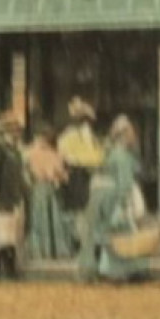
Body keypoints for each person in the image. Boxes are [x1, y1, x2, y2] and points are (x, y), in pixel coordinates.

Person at [90, 116, 150, 282]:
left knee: (121, 234)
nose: (132, 137)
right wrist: (123, 203)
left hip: (111, 197)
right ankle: (120, 272)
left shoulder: (115, 154)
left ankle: (121, 271)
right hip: (118, 198)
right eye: (129, 133)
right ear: (122, 135)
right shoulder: (121, 155)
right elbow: (125, 182)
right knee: (122, 235)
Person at [59, 99, 106, 272]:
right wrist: (87, 162)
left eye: (88, 121)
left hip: (92, 179)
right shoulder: (68, 137)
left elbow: (100, 157)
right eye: (83, 120)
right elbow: (68, 157)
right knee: (80, 220)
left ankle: (93, 258)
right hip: (78, 180)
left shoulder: (93, 138)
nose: (87, 124)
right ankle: (82, 258)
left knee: (93, 220)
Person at [0, 111, 28, 278]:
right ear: (5, 133)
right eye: (12, 131)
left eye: (17, 131)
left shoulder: (14, 151)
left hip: (13, 197)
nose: (15, 134)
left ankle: (8, 267)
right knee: (0, 234)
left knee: (9, 234)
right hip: (1, 197)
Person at [25, 122, 74, 261]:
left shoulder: (34, 152)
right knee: (50, 219)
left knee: (43, 219)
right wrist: (58, 175)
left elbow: (30, 170)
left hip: (41, 187)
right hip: (47, 187)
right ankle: (53, 250)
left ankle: (42, 251)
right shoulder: (51, 153)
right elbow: (61, 173)